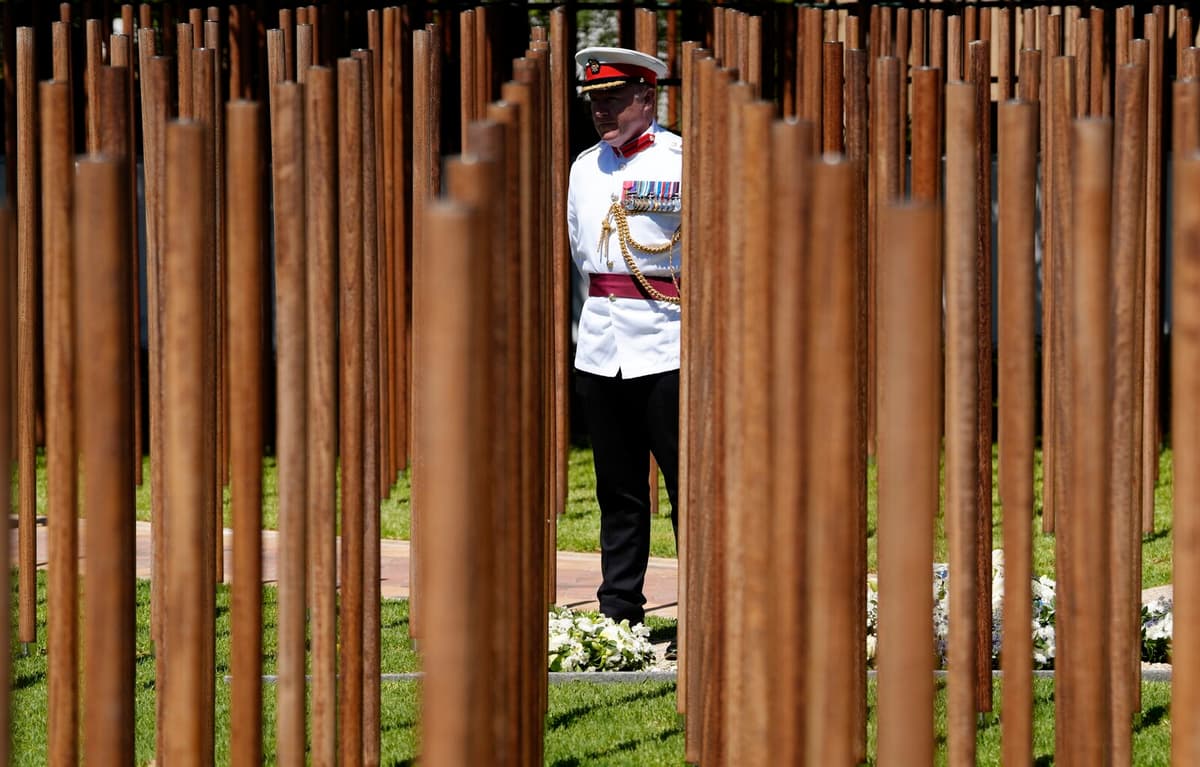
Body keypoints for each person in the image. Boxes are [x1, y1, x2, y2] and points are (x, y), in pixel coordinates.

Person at [566, 46, 682, 646]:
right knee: (618, 488)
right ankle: (620, 613)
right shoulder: (584, 168)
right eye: (595, 101)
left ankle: (705, 608)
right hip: (601, 344)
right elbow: (581, 253)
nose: (601, 111)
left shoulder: (683, 160)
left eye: (613, 98)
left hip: (669, 344)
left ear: (646, 96)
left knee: (688, 487)